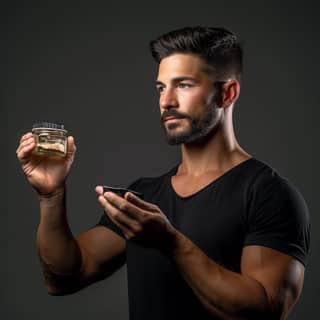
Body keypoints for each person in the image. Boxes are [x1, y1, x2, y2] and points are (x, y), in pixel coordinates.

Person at [16, 26, 310, 320]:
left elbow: (266, 311)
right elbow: (64, 278)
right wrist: (51, 196)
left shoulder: (268, 194)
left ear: (227, 94)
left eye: (183, 85)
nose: (166, 101)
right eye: (161, 87)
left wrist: (172, 243)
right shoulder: (145, 197)